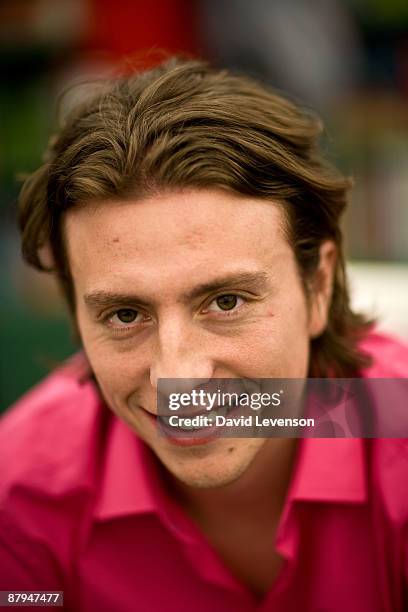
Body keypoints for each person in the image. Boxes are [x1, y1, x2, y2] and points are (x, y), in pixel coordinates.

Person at [1, 57, 407, 612]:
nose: (179, 379)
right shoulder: (20, 491)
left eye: (225, 301)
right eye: (125, 314)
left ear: (318, 286)